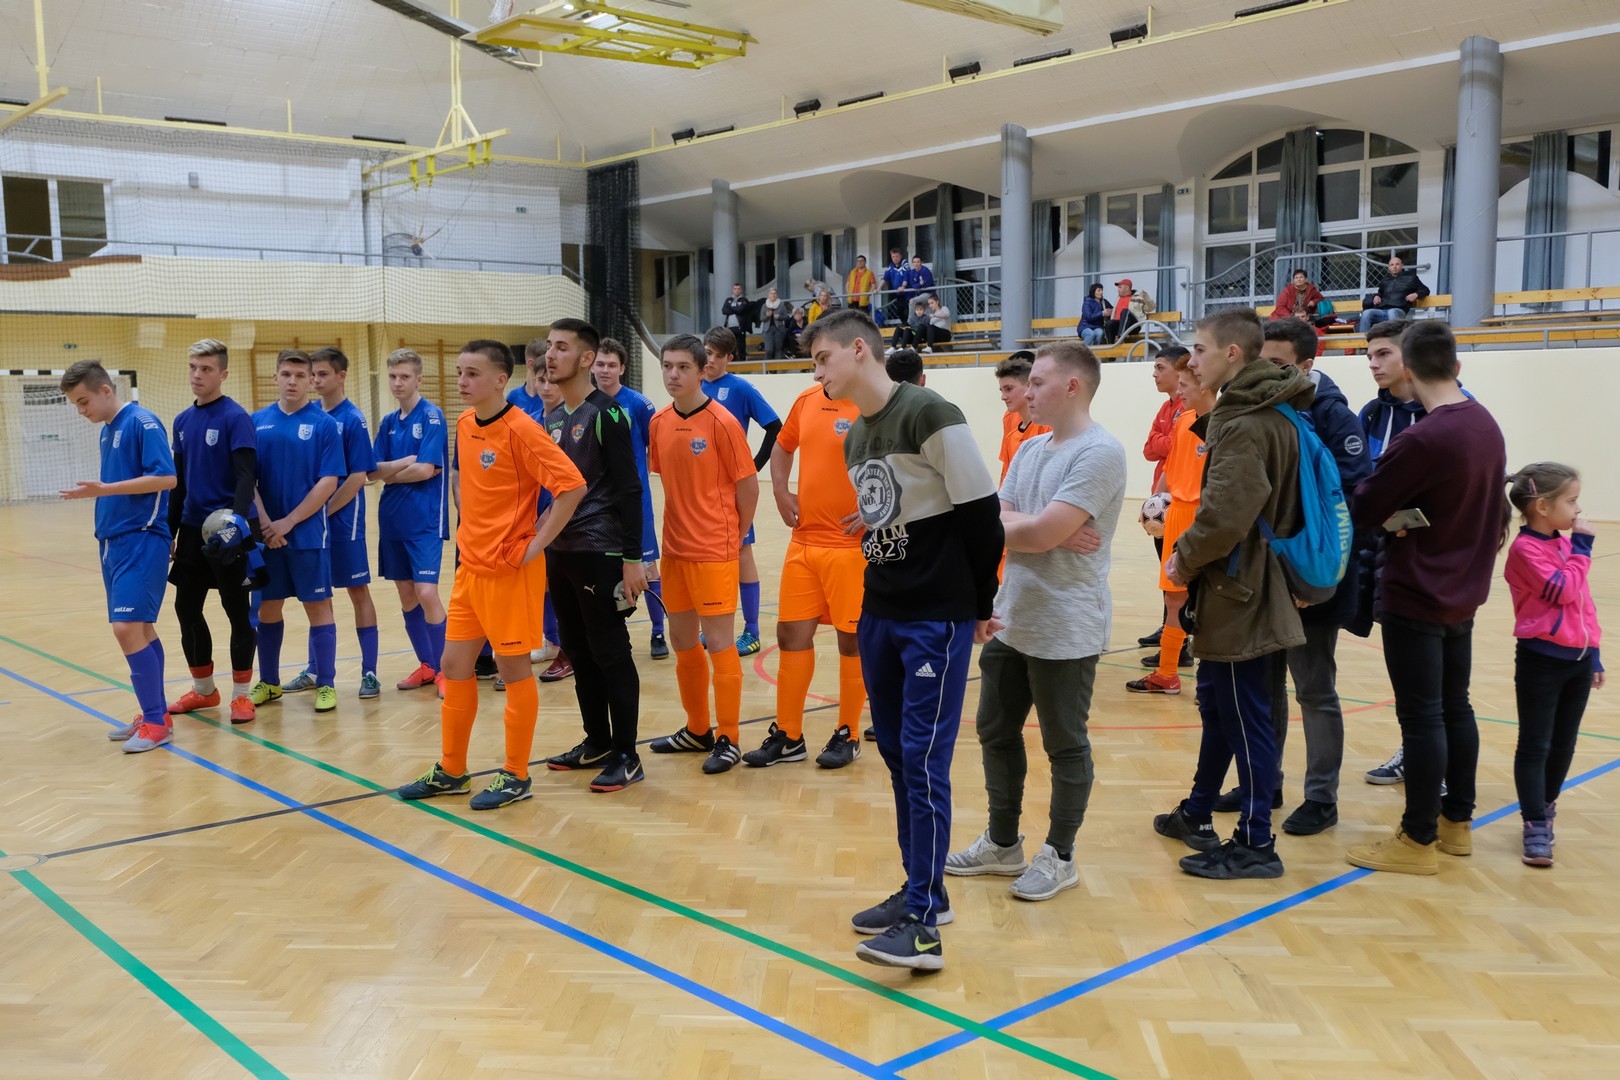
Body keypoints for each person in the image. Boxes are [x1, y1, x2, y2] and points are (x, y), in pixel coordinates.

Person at [807, 309, 1004, 971]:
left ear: (859, 350)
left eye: (824, 358)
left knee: (922, 760)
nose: (818, 372)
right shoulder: (855, 436)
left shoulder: (929, 411)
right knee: (895, 753)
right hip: (881, 611)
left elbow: (981, 513)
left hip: (934, 616)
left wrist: (979, 605)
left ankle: (923, 928)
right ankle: (925, 890)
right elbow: (892, 515)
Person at [945, 341, 1125, 902]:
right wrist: (1046, 528)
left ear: (1072, 386)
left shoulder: (1101, 452)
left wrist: (1043, 529)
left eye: (1038, 382)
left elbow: (1030, 531)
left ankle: (1060, 855)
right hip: (1012, 614)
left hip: (1066, 624)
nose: (1026, 392)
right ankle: (1003, 844)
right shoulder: (1029, 449)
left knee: (1064, 744)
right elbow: (990, 520)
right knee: (995, 731)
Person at [1153, 309, 1311, 880]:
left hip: (1241, 587)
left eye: (1199, 350)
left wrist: (1183, 555)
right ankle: (1205, 812)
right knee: (1226, 708)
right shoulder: (1265, 410)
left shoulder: (1244, 422)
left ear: (1233, 354)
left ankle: (1255, 843)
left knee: (1246, 718)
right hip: (1243, 583)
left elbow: (1225, 517)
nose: (1191, 361)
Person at [1346, 322, 1506, 875]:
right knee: (1455, 706)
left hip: (1417, 589)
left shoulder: (1423, 437)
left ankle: (1417, 839)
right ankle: (1456, 823)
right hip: (1464, 588)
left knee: (1421, 718)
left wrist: (1389, 515)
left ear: (1409, 370)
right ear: (1456, 366)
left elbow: (1365, 506)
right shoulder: (1485, 423)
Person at [398, 340, 586, 809]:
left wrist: (534, 545)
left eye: (473, 374)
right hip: (471, 570)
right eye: (460, 372)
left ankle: (516, 775)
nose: (462, 382)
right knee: (454, 666)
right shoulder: (465, 422)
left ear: (501, 380)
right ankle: (452, 771)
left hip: (509, 572)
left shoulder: (522, 429)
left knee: (513, 670)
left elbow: (571, 487)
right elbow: (467, 482)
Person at [1221, 318, 1372, 836]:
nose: (1266, 371)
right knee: (1267, 689)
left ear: (1307, 365)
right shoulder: (1262, 408)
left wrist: (1309, 580)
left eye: (1279, 364)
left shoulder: (1333, 415)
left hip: (1310, 580)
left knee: (1314, 688)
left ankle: (1322, 797)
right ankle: (1266, 782)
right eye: (1262, 361)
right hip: (1267, 576)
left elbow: (1345, 505)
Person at [1354, 318, 1476, 780]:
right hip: (1387, 556)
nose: (1373, 364)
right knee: (1414, 684)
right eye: (1369, 355)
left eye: (1384, 353)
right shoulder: (1371, 413)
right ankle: (1422, 757)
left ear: (1414, 359)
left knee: (1442, 691)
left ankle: (1436, 778)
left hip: (1437, 569)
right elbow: (1362, 486)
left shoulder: (1453, 414)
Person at [537, 318, 648, 793]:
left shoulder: (609, 413)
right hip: (562, 553)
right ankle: (597, 741)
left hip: (602, 552)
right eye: (549, 346)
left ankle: (627, 754)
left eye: (561, 347)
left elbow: (630, 489)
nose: (550, 355)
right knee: (577, 650)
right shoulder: (552, 418)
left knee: (610, 652)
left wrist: (633, 558)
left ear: (586, 358)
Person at [644, 335, 759, 775]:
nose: (673, 375)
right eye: (667, 367)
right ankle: (697, 729)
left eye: (683, 367)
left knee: (720, 643)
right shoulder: (658, 422)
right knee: (682, 642)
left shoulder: (723, 422)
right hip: (675, 550)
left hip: (714, 549)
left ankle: (728, 737)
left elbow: (748, 487)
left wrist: (735, 534)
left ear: (702, 371)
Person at [744, 375, 867, 770]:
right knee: (790, 635)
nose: (818, 371)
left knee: (853, 641)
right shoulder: (807, 399)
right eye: (815, 361)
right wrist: (780, 490)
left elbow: (910, 461)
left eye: (825, 359)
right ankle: (789, 735)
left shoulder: (873, 400)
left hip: (851, 547)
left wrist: (879, 507)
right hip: (804, 542)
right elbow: (783, 446)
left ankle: (849, 732)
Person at [58, 360, 178, 752]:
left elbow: (167, 478)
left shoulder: (143, 422)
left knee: (125, 629)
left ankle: (156, 722)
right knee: (140, 629)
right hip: (112, 541)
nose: (81, 410)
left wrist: (105, 490)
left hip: (141, 538)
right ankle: (156, 713)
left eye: (83, 401)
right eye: (76, 404)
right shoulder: (108, 430)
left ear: (106, 390)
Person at [1503, 463, 1604, 867]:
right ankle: (1534, 823)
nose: (1578, 509)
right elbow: (1562, 591)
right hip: (1542, 662)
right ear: (1542, 507)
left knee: (1564, 744)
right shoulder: (1525, 550)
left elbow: (1584, 604)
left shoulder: (1562, 544)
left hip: (1577, 661)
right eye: (1572, 500)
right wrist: (1582, 548)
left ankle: (1546, 806)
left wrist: (1593, 652)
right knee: (1536, 745)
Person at [244, 349, 344, 714]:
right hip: (266, 537)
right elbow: (247, 479)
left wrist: (288, 522)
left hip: (307, 536)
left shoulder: (324, 424)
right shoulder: (256, 422)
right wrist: (266, 522)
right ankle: (270, 682)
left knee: (318, 606)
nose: (293, 381)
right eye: (286, 374)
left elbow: (328, 482)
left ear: (311, 381)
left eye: (301, 376)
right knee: (268, 608)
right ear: (275, 377)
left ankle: (326, 683)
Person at [166, 338, 260, 724]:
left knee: (237, 611)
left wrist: (236, 525)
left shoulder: (235, 417)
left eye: (206, 369)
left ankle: (241, 697)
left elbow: (246, 477)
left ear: (222, 374)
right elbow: (179, 484)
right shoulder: (182, 422)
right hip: (192, 530)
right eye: (193, 367)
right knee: (186, 608)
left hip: (229, 529)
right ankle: (204, 691)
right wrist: (169, 532)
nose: (197, 375)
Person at [282, 347, 382, 700]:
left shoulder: (352, 418)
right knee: (317, 596)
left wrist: (322, 511)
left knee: (357, 591)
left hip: (342, 523)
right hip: (313, 525)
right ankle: (315, 670)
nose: (315, 380)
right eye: (314, 374)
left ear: (341, 376)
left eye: (322, 374)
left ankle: (370, 672)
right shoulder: (308, 417)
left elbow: (358, 476)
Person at [1127, 351, 1211, 695]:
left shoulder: (1223, 422)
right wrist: (1153, 503)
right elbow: (1169, 467)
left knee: (1207, 601)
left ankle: (1210, 680)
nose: (1180, 392)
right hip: (1176, 515)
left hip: (1204, 517)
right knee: (1174, 598)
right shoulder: (1183, 419)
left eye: (1185, 385)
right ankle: (1167, 673)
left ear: (1203, 385)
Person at [370, 348, 450, 696]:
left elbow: (426, 469)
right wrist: (405, 463)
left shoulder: (432, 416)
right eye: (393, 376)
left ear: (419, 379)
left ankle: (447, 670)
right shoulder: (389, 422)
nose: (398, 382)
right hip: (392, 520)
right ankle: (427, 665)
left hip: (424, 521)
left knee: (426, 592)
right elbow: (372, 471)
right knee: (406, 596)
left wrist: (391, 473)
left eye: (404, 376)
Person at [700, 326, 782, 656]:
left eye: (718, 356)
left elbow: (775, 427)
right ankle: (713, 627)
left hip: (732, 488)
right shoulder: (694, 385)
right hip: (700, 487)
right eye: (708, 353)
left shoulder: (740, 388)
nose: (711, 361)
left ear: (729, 359)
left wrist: (753, 466)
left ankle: (751, 631)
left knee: (741, 551)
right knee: (706, 554)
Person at [593, 337, 667, 659]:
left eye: (612, 365)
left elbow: (657, 447)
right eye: (600, 364)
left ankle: (658, 631)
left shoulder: (638, 404)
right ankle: (613, 635)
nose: (605, 370)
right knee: (604, 569)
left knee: (647, 567)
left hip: (635, 503)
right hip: (598, 505)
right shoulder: (586, 403)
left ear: (622, 368)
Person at [514, 342, 566, 673]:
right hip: (533, 518)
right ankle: (551, 640)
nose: (546, 387)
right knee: (543, 582)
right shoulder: (528, 423)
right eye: (541, 380)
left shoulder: (573, 421)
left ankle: (565, 646)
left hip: (563, 519)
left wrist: (546, 518)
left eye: (552, 380)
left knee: (561, 582)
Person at [1138, 346, 1187, 655]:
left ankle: (1180, 642)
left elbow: (1176, 445)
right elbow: (1149, 449)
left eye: (1159, 367)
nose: (1154, 374)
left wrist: (1165, 441)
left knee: (1178, 576)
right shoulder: (1166, 408)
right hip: (1162, 502)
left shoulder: (1189, 406)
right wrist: (1165, 441)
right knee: (1166, 571)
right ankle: (1168, 628)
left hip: (1179, 502)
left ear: (1179, 371)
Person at [995, 352, 1049, 485]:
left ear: (1029, 385)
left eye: (1009, 389)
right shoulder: (1010, 428)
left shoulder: (1049, 426)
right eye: (1002, 390)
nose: (1003, 397)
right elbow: (1006, 475)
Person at [1356, 255, 1430, 333]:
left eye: (1397, 264)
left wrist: (1416, 294)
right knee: (1367, 313)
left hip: (1399, 311)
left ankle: (1393, 339)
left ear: (1402, 266)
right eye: (1392, 265)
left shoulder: (1411, 278)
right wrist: (1377, 296)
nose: (1394, 267)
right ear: (1389, 268)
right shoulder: (1385, 280)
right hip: (1382, 311)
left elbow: (1426, 290)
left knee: (1392, 312)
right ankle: (1363, 339)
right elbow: (1380, 293)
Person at [720, 282, 755, 362]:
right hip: (730, 328)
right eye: (735, 289)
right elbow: (724, 311)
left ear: (741, 290)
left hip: (740, 327)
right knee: (731, 347)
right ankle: (733, 364)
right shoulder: (728, 300)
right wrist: (735, 307)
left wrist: (730, 307)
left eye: (738, 289)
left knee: (741, 346)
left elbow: (740, 310)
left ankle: (742, 363)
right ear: (733, 290)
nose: (737, 290)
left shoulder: (744, 300)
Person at [1104, 278, 1139, 343]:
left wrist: (1146, 299)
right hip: (1119, 324)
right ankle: (1110, 345)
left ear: (1127, 288)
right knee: (1109, 323)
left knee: (1125, 311)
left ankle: (1120, 338)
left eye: (1120, 287)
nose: (1118, 289)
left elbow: (1149, 308)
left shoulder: (1136, 297)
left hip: (1133, 325)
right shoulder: (1118, 298)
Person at [760, 288, 791, 359]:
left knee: (778, 349)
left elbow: (786, 317)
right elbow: (761, 319)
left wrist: (779, 317)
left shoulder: (781, 305)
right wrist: (767, 316)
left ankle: (777, 365)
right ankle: (768, 365)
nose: (773, 295)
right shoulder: (764, 306)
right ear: (768, 295)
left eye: (774, 293)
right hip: (768, 330)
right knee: (768, 350)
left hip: (779, 329)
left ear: (777, 295)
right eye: (771, 293)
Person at [881, 249, 909, 324]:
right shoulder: (891, 266)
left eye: (897, 256)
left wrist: (903, 286)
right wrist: (878, 288)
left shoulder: (905, 264)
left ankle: (909, 326)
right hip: (898, 294)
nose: (895, 258)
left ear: (901, 256)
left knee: (907, 311)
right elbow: (885, 278)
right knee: (899, 311)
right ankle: (904, 325)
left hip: (907, 294)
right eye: (893, 257)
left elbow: (906, 276)